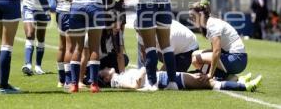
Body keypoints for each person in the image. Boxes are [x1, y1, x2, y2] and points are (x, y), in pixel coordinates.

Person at [189, 0, 247, 81]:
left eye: (193, 17)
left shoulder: (212, 25)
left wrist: (210, 74)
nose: (191, 20)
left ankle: (215, 76)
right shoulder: (210, 23)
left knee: (195, 59)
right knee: (195, 54)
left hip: (237, 60)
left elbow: (216, 52)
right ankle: (226, 77)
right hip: (236, 58)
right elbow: (214, 50)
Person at [98, 67, 262, 92]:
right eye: (104, 69)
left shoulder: (119, 76)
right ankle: (243, 86)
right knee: (208, 82)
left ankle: (241, 82)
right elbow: (134, 85)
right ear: (106, 78)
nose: (106, 67)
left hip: (163, 78)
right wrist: (143, 70)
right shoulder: (117, 81)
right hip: (164, 80)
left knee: (201, 78)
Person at [54, 0, 77, 87]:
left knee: (62, 46)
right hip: (69, 9)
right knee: (70, 47)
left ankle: (61, 79)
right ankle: (68, 79)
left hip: (59, 10)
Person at [79, 24, 130, 88]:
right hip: (90, 63)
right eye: (115, 24)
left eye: (120, 24)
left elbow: (120, 56)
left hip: (103, 60)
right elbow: (84, 57)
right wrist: (79, 81)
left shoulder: (118, 34)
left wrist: (122, 78)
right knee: (97, 82)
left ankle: (109, 75)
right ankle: (96, 76)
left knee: (125, 59)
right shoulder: (93, 33)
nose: (118, 27)